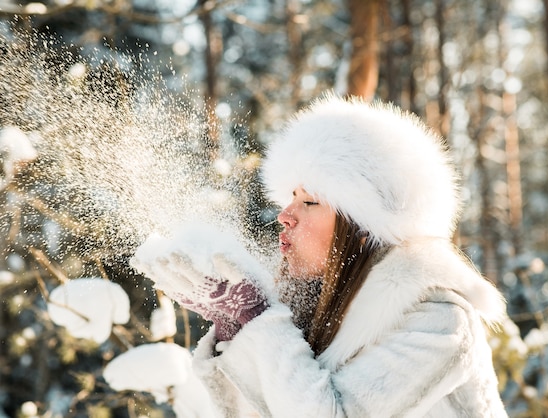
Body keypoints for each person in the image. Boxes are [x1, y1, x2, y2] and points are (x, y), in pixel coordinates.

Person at [131, 93, 509, 417]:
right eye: (291, 197)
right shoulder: (314, 309)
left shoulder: (439, 321)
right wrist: (237, 332)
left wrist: (259, 322)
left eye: (309, 201)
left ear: (363, 226)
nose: (285, 215)